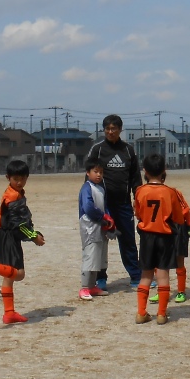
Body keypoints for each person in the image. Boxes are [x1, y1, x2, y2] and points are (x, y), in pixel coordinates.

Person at [0, 158, 45, 325]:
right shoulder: (14, 197)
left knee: (8, 277)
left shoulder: (12, 192)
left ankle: (9, 313)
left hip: (3, 235)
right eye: (16, 179)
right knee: (19, 274)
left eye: (23, 178)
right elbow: (19, 223)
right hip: (9, 237)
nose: (20, 182)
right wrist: (33, 237)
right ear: (8, 178)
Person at [85, 114, 142, 290]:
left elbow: (135, 177)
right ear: (104, 130)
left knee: (128, 241)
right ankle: (100, 278)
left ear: (120, 130)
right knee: (101, 242)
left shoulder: (128, 150)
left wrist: (138, 198)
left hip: (124, 204)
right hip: (103, 205)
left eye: (114, 128)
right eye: (108, 129)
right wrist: (89, 200)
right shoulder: (97, 150)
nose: (111, 132)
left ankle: (136, 276)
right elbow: (89, 176)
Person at [133, 153, 183, 324]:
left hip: (147, 237)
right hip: (165, 237)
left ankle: (141, 312)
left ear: (145, 171)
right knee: (163, 275)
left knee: (146, 275)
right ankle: (161, 314)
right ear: (164, 170)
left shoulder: (140, 191)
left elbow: (138, 213)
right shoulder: (170, 192)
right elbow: (178, 217)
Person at [151, 176, 190, 305]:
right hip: (162, 228)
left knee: (179, 259)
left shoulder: (174, 192)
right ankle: (162, 291)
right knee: (160, 262)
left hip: (178, 228)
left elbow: (186, 210)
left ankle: (181, 291)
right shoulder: (149, 192)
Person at [77, 157, 114, 300]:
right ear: (88, 172)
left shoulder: (101, 188)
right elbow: (88, 207)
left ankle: (92, 286)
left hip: (100, 228)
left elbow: (105, 206)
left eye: (101, 172)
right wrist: (103, 216)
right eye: (95, 171)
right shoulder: (86, 188)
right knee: (90, 256)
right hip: (89, 228)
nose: (99, 175)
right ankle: (84, 287)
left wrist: (108, 220)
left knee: (99, 257)